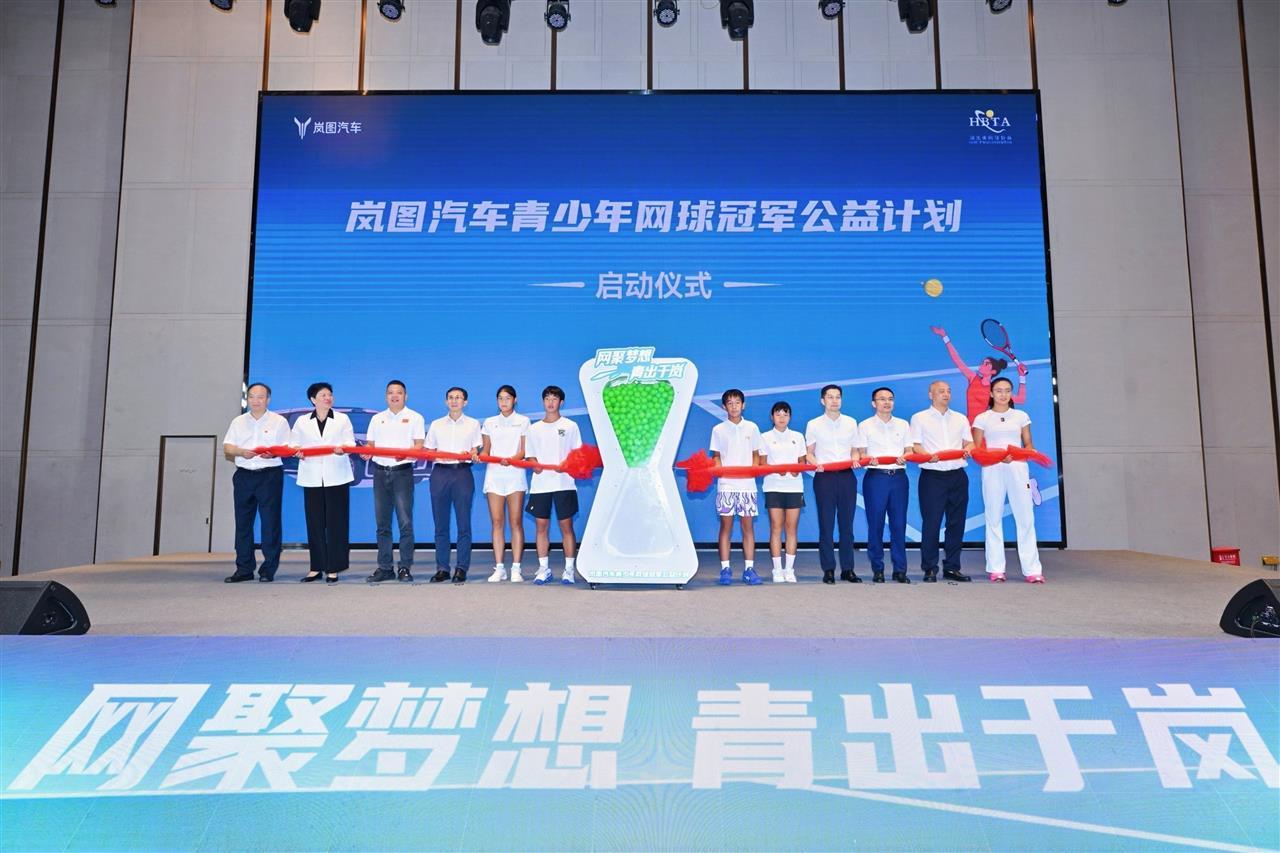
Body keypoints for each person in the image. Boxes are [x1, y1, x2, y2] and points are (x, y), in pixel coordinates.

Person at [972, 377, 1044, 583]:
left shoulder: (1021, 416)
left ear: (1011, 394)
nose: (1003, 394)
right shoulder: (982, 418)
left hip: (1017, 467)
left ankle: (1032, 570)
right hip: (992, 469)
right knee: (993, 517)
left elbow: (1028, 445)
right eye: (999, 390)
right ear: (991, 393)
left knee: (1025, 518)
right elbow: (977, 449)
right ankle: (996, 568)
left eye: (1007, 390)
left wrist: (1018, 454)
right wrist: (996, 456)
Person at [221, 382, 290, 583]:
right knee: (243, 523)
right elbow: (227, 447)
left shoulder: (279, 421)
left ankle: (268, 569)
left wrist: (273, 453)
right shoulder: (238, 421)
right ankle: (244, 568)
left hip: (269, 475)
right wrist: (241, 452)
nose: (256, 400)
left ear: (268, 399)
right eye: (252, 396)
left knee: (270, 522)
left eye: (260, 397)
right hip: (244, 475)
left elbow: (287, 447)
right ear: (247, 399)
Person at [910, 380, 976, 583]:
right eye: (941, 391)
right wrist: (927, 455)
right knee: (932, 523)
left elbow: (970, 442)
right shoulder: (919, 418)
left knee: (956, 523)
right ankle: (930, 568)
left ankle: (952, 567)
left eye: (948, 391)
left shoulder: (960, 418)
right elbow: (915, 445)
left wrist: (969, 449)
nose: (946, 394)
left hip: (958, 476)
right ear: (931, 395)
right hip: (933, 477)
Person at [361, 380, 425, 584]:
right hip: (380, 473)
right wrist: (366, 452)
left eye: (399, 392)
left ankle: (405, 566)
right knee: (382, 523)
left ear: (406, 396)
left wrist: (406, 454)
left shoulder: (415, 417)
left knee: (405, 523)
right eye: (390, 393)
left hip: (402, 473)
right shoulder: (377, 419)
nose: (394, 396)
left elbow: (419, 446)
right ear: (386, 396)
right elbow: (370, 445)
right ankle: (385, 567)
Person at [290, 382, 354, 585]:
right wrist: (296, 451)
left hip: (337, 477)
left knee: (337, 523)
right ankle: (316, 567)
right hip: (311, 477)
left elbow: (350, 442)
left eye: (330, 394)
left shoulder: (342, 419)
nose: (328, 398)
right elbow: (293, 444)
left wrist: (343, 448)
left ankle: (334, 568)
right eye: (323, 395)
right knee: (315, 523)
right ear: (313, 399)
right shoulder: (302, 421)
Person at [524, 385, 583, 585]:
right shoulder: (533, 428)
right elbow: (530, 454)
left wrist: (566, 464)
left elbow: (577, 454)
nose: (550, 402)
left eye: (554, 399)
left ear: (561, 402)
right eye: (547, 398)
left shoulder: (570, 426)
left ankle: (569, 569)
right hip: (541, 485)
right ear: (543, 402)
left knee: (566, 526)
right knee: (541, 526)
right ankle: (544, 569)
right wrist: (534, 464)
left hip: (564, 483)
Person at [805, 384, 864, 584]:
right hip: (825, 478)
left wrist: (855, 458)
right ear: (823, 401)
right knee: (826, 524)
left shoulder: (851, 422)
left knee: (847, 525)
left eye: (838, 397)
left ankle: (848, 569)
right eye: (830, 397)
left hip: (847, 477)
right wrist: (816, 464)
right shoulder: (813, 424)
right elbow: (809, 453)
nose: (834, 401)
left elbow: (855, 449)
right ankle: (828, 569)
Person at [425, 386, 482, 584]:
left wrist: (473, 453)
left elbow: (475, 449)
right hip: (440, 473)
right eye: (451, 397)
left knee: (463, 524)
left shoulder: (473, 424)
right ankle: (442, 568)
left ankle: (461, 568)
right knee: (440, 524)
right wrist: (435, 454)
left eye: (458, 397)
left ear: (465, 402)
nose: (454, 400)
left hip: (462, 473)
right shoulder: (436, 424)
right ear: (446, 401)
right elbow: (428, 450)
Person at [858, 386, 913, 584]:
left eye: (890, 399)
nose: (886, 402)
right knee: (876, 524)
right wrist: (867, 458)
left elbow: (909, 449)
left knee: (899, 524)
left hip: (898, 478)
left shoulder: (903, 424)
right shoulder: (865, 425)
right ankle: (878, 569)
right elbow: (861, 452)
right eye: (882, 399)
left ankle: (900, 570)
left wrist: (906, 456)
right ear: (874, 403)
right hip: (876, 478)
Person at [710, 389, 763, 585]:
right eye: (730, 403)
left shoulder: (752, 427)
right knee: (726, 526)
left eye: (737, 402)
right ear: (724, 407)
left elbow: (756, 454)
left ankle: (749, 569)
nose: (734, 406)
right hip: (726, 485)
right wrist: (720, 471)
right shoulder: (718, 429)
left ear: (743, 405)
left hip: (747, 486)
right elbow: (716, 456)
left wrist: (753, 470)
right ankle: (725, 569)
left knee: (747, 527)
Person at [930, 325, 1028, 424]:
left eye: (986, 364)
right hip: (968, 427)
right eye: (982, 362)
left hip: (983, 428)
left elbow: (1020, 399)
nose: (982, 365)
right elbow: (957, 359)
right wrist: (945, 337)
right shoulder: (973, 378)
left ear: (993, 372)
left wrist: (1022, 377)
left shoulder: (993, 390)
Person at [482, 385, 530, 583]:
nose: (504, 402)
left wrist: (510, 460)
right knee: (497, 522)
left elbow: (524, 450)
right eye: (500, 398)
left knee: (516, 522)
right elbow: (486, 450)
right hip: (494, 476)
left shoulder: (523, 421)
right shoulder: (489, 422)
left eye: (507, 398)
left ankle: (516, 568)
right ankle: (500, 567)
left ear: (515, 400)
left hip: (515, 475)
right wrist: (479, 455)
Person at [758, 401, 805, 584]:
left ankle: (789, 569)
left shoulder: (798, 437)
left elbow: (802, 461)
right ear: (772, 417)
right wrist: (776, 469)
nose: (782, 418)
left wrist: (796, 470)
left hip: (794, 487)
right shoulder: (764, 437)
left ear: (790, 417)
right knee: (776, 527)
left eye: (785, 414)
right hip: (773, 486)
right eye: (778, 414)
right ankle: (777, 569)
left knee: (791, 528)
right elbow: (762, 463)